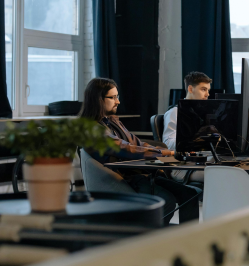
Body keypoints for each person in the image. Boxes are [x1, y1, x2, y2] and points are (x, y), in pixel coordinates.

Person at [79, 77, 200, 224]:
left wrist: (167, 153)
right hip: (125, 180)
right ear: (98, 99)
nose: (118, 101)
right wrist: (165, 153)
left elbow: (137, 144)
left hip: (138, 175)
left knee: (189, 194)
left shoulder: (112, 121)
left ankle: (190, 235)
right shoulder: (90, 129)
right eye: (113, 97)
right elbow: (124, 149)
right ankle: (148, 236)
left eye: (117, 96)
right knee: (166, 201)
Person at [162, 72, 212, 183]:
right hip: (181, 167)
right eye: (203, 89)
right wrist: (195, 138)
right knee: (221, 175)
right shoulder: (174, 112)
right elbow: (167, 144)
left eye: (208, 90)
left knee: (232, 170)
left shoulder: (202, 115)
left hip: (200, 162)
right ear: (190, 89)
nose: (207, 94)